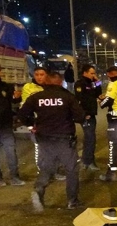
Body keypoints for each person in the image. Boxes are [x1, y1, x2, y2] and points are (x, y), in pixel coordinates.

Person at [17, 72, 85, 212]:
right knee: (71, 169)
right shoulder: (68, 97)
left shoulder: (36, 97)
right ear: (60, 83)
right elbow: (80, 117)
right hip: (64, 138)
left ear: (46, 82)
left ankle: (39, 189)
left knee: (47, 167)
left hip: (44, 138)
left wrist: (32, 125)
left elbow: (22, 115)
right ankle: (72, 200)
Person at [74, 64, 102, 171]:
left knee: (90, 138)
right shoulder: (80, 84)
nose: (93, 75)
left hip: (92, 114)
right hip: (86, 115)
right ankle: (88, 161)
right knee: (90, 138)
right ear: (85, 73)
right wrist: (84, 114)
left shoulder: (91, 83)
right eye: (92, 73)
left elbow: (98, 94)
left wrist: (97, 80)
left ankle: (88, 160)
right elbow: (80, 99)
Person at [21, 67, 48, 175]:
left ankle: (54, 171)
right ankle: (42, 172)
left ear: (46, 75)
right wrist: (30, 125)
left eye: (42, 74)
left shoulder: (50, 87)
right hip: (37, 123)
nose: (39, 77)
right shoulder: (28, 87)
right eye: (37, 74)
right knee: (40, 149)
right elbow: (24, 108)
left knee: (52, 149)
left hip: (51, 123)